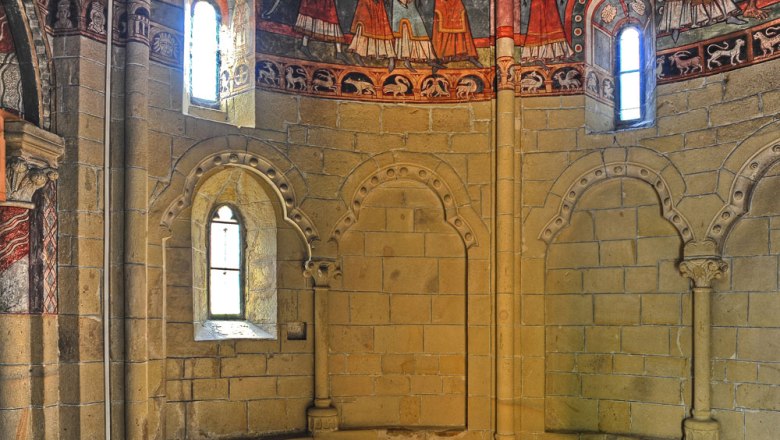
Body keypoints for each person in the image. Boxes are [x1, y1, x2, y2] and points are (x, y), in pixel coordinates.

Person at [391, 0, 444, 71]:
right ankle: (397, 61)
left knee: (420, 31)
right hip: (400, 5)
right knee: (402, 31)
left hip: (411, 4)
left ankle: (430, 59)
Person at [347, 0, 397, 69]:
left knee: (382, 28)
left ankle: (390, 58)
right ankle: (358, 53)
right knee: (365, 27)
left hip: (378, 3)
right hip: (366, 3)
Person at [432, 0, 482, 67]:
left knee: (461, 22)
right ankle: (440, 58)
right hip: (442, 2)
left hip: (455, 2)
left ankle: (469, 55)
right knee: (442, 23)